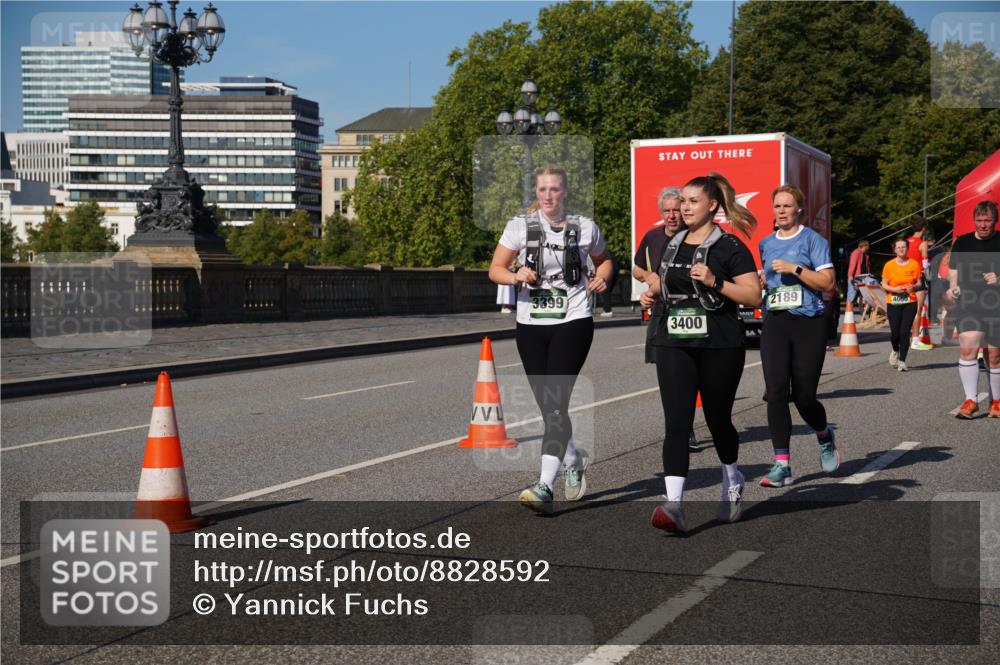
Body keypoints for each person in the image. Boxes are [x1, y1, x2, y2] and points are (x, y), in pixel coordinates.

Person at [640, 173, 762, 533]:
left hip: (719, 343)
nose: (684, 207)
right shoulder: (672, 243)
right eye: (683, 201)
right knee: (677, 422)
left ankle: (732, 477)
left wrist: (715, 281)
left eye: (693, 201)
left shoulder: (730, 247)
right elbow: (666, 282)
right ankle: (674, 505)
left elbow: (753, 295)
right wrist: (652, 293)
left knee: (717, 420)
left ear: (712, 206)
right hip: (674, 340)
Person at [489, 164, 614, 512]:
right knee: (548, 406)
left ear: (565, 192)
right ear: (536, 192)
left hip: (573, 319)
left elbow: (605, 261)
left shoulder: (585, 227)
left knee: (556, 401)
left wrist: (603, 277)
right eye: (542, 189)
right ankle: (573, 459)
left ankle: (544, 485)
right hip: (531, 323)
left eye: (554, 189)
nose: (548, 195)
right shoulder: (519, 227)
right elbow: (495, 269)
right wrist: (516, 276)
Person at [757, 185, 838, 488]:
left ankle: (824, 435)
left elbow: (828, 283)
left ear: (799, 209)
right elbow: (768, 281)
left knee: (804, 397)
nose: (781, 211)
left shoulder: (813, 240)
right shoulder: (766, 243)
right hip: (776, 322)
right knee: (776, 392)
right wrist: (762, 282)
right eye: (777, 206)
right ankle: (782, 464)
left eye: (787, 206)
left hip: (808, 324)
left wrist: (796, 269)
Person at [634, 187, 699, 451]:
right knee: (668, 376)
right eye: (667, 211)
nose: (672, 215)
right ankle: (676, 428)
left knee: (689, 375)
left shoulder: (694, 236)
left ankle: (687, 427)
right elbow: (637, 267)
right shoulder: (652, 237)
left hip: (690, 313)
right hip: (662, 314)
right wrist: (647, 278)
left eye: (676, 210)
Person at [947, 200, 1000, 419]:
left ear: (995, 221)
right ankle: (971, 400)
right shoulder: (963, 242)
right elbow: (953, 270)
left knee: (994, 356)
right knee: (969, 348)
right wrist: (953, 287)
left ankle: (996, 401)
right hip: (969, 304)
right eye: (979, 220)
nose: (983, 224)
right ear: (974, 220)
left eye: (988, 220)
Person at [881, 237, 924, 372]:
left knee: (904, 332)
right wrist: (894, 289)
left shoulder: (914, 264)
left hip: (910, 301)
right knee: (895, 333)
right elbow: (884, 284)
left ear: (907, 249)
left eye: (903, 247)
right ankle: (895, 350)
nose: (901, 249)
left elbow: (919, 282)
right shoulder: (889, 265)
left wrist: (914, 287)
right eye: (898, 247)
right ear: (894, 250)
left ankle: (902, 361)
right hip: (893, 301)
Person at [906, 218, 930, 339]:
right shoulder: (922, 243)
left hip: (905, 275)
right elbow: (925, 263)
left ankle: (906, 335)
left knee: (906, 308)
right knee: (917, 309)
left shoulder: (905, 242)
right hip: (918, 276)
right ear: (923, 228)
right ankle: (915, 337)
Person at [847, 240, 871, 306]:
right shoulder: (855, 253)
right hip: (855, 277)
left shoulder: (865, 255)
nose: (866, 250)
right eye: (865, 249)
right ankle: (849, 308)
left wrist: (869, 274)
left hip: (864, 277)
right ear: (861, 246)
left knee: (865, 293)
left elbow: (866, 267)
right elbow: (852, 265)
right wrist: (850, 275)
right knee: (852, 293)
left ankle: (863, 306)